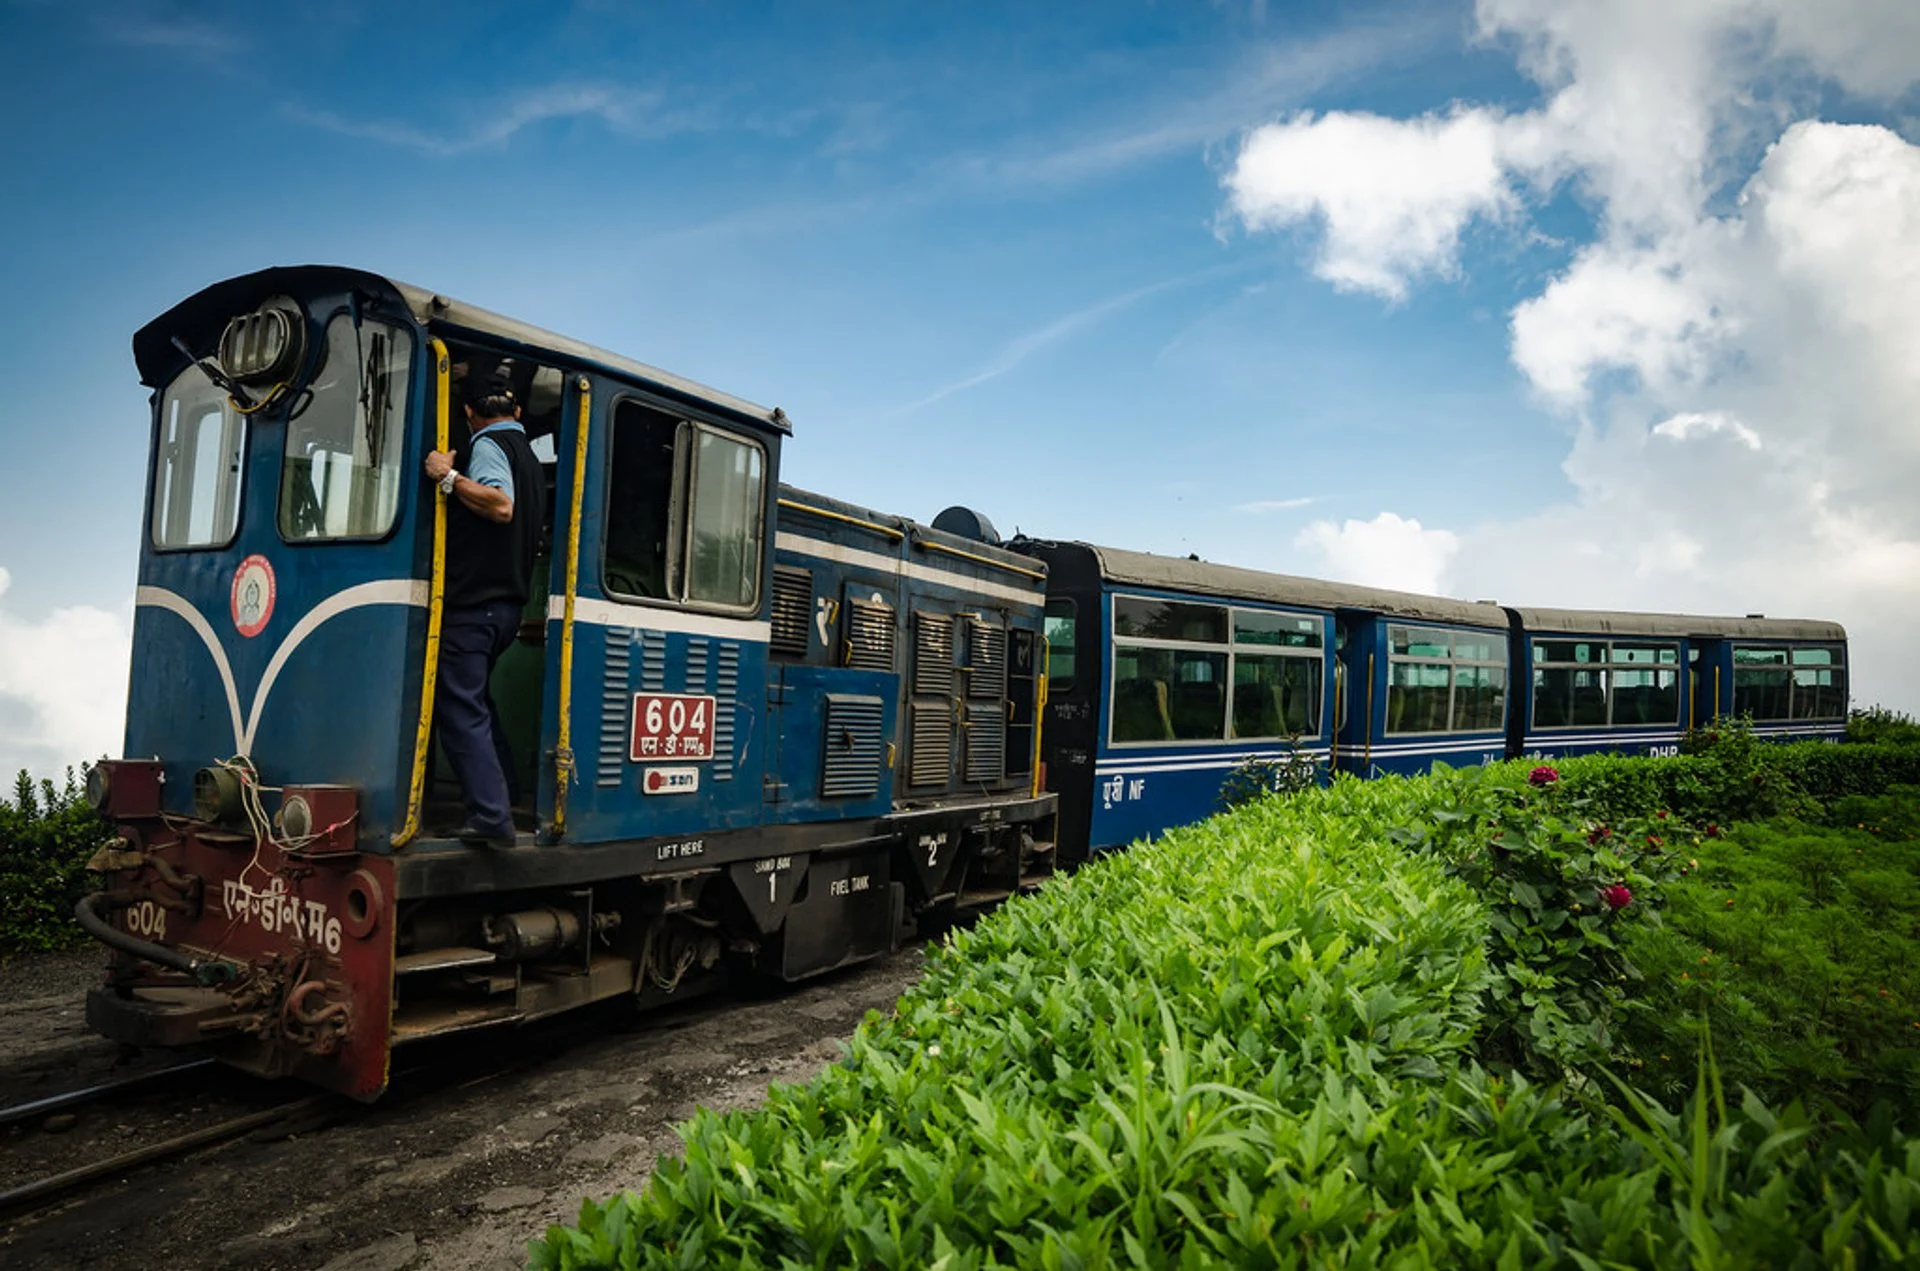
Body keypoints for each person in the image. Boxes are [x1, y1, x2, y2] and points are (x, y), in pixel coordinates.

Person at [422, 363, 545, 848]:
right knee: (475, 702)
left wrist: (446, 475)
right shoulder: (530, 457)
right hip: (505, 612)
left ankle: (492, 819)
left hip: (474, 609)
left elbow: (500, 505)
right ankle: (506, 790)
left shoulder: (489, 445)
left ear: (469, 412)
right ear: (516, 410)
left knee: (457, 707)